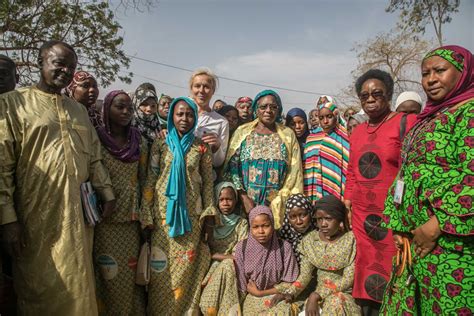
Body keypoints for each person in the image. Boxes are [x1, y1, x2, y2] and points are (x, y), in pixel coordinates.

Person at [0, 40, 115, 314]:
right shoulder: (13, 104)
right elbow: (3, 165)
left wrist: (107, 192)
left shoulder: (78, 110)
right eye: (58, 64)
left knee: (79, 284)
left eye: (71, 67)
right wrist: (8, 218)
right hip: (34, 216)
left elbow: (94, 156)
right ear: (41, 62)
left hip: (78, 215)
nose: (65, 71)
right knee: (38, 284)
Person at [381, 45, 474, 315]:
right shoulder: (428, 117)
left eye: (440, 71)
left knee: (450, 305)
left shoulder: (468, 114)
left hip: (452, 246)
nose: (431, 79)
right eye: (425, 73)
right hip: (416, 246)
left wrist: (435, 225)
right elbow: (406, 173)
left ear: (463, 72)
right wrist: (398, 224)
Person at [344, 69, 417, 315]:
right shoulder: (357, 132)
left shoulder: (406, 123)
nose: (370, 99)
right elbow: (352, 170)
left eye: (377, 93)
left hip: (393, 215)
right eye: (364, 96)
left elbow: (413, 170)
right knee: (365, 265)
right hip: (363, 216)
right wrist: (348, 200)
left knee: (395, 266)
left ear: (388, 94)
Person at [141, 96, 216, 315]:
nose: (184, 118)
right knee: (160, 274)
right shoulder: (160, 143)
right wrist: (146, 215)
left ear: (195, 117)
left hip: (190, 219)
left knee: (186, 274)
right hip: (162, 219)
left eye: (189, 114)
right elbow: (150, 180)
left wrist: (208, 216)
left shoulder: (201, 148)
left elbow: (208, 185)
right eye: (180, 113)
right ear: (172, 116)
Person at [94, 90, 147, 314]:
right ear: (107, 109)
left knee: (130, 276)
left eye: (129, 108)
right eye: (119, 107)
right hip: (105, 220)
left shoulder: (139, 140)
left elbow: (145, 181)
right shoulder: (95, 138)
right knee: (108, 276)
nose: (125, 112)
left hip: (132, 221)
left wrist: (145, 218)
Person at [224, 89, 303, 228]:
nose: (268, 110)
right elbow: (232, 167)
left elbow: (293, 173)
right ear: (256, 109)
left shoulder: (287, 135)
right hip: (245, 207)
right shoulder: (243, 132)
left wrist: (272, 200)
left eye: (273, 107)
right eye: (263, 107)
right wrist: (243, 197)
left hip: (276, 206)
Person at [279, 195, 360, 315]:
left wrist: (318, 295)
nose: (323, 224)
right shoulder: (310, 240)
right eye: (319, 219)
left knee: (335, 302)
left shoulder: (350, 240)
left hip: (343, 296)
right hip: (317, 298)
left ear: (340, 219)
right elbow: (305, 276)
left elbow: (348, 279)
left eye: (328, 218)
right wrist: (290, 292)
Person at [234, 205, 299, 315]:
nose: (261, 231)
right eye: (255, 227)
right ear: (250, 228)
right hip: (251, 298)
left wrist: (261, 293)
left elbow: (290, 282)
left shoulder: (284, 247)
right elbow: (241, 284)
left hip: (276, 297)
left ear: (273, 225)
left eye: (265, 226)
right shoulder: (242, 248)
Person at [199, 182, 249, 315]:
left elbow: (239, 254)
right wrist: (215, 256)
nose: (225, 203)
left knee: (228, 265)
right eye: (221, 200)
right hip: (208, 269)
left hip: (232, 269)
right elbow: (203, 249)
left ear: (236, 201)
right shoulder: (209, 222)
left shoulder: (241, 223)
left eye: (229, 199)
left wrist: (217, 256)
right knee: (205, 304)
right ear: (216, 200)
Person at [303, 101, 349, 203]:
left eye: (329, 116)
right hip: (314, 187)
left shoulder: (344, 136)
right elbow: (308, 166)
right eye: (321, 118)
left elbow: (347, 165)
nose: (325, 121)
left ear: (336, 116)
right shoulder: (311, 138)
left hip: (336, 184)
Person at [190, 68, 229, 169]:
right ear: (191, 88)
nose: (201, 91)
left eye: (206, 87)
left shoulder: (221, 122)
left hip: (203, 179)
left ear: (213, 91)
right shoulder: (180, 115)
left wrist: (216, 147)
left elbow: (219, 162)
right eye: (197, 86)